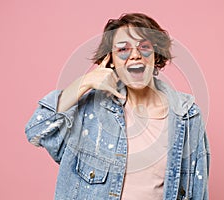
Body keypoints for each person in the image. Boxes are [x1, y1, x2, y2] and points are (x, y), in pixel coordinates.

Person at [25, 13, 210, 200]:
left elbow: (197, 191)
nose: (135, 55)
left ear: (156, 54)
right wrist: (85, 82)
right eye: (123, 49)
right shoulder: (91, 111)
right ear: (110, 59)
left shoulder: (187, 116)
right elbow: (37, 130)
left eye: (144, 47)